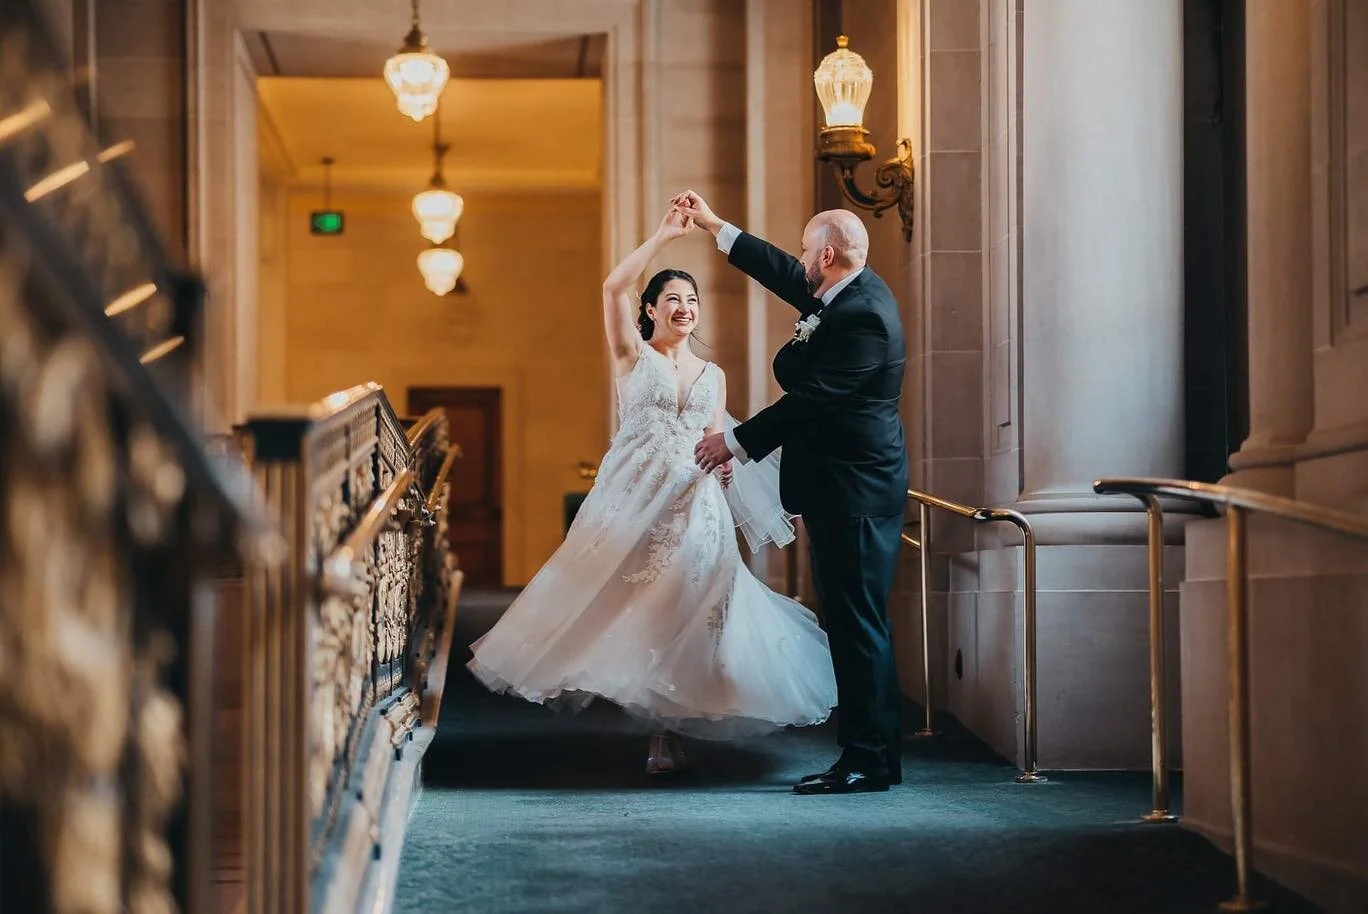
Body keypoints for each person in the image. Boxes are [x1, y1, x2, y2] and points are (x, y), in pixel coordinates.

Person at [466, 206, 836, 774]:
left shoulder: (714, 374)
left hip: (696, 501)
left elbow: (716, 435)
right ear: (650, 311)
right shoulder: (632, 356)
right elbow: (613, 285)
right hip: (636, 499)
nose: (686, 310)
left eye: (692, 302)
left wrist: (728, 466)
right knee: (641, 608)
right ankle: (658, 732)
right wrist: (664, 237)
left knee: (695, 605)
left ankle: (670, 726)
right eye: (673, 301)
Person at [677, 190, 909, 795]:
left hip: (855, 489)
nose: (801, 257)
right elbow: (785, 274)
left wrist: (736, 443)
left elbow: (816, 399)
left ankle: (866, 760)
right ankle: (877, 755)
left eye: (807, 248)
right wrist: (715, 226)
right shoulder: (846, 291)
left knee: (857, 626)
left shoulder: (863, 316)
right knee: (858, 623)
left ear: (826, 254)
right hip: (844, 486)